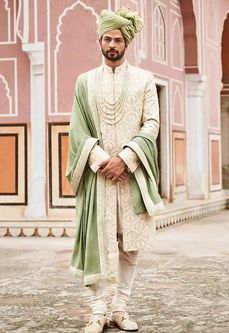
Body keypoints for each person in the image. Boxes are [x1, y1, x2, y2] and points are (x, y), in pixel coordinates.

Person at [66, 7, 164, 333]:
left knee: (128, 243)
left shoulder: (144, 80)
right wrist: (100, 159)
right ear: (99, 40)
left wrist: (127, 157)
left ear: (126, 43)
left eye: (118, 39)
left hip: (130, 175)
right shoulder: (84, 82)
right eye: (107, 38)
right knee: (97, 240)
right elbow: (77, 129)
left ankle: (120, 309)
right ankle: (97, 311)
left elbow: (151, 123)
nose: (112, 44)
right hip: (98, 176)